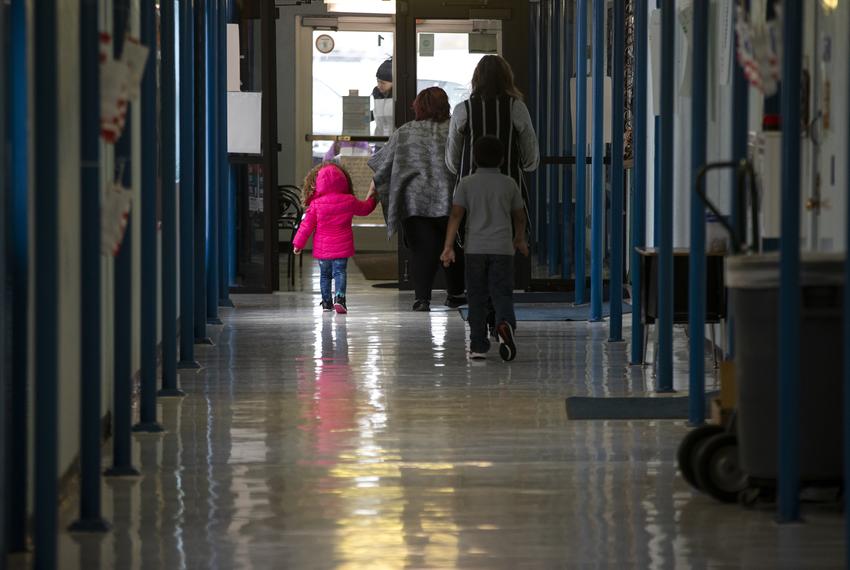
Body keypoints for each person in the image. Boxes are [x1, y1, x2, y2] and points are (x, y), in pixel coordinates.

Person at [445, 54, 539, 333]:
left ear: (476, 79)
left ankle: (483, 313)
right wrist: (517, 164)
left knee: (475, 254)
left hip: (470, 195)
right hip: (508, 190)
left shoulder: (463, 110)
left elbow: (451, 158)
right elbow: (532, 157)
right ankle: (501, 314)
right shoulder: (517, 108)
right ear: (507, 78)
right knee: (502, 256)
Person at [368, 87, 464, 311]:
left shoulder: (405, 132)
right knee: (455, 247)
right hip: (452, 200)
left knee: (422, 251)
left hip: (414, 203)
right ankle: (456, 294)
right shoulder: (455, 129)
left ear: (418, 107)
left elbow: (383, 165)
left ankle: (422, 299)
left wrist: (374, 187)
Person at [440, 136, 529, 361]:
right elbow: (519, 216)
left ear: (475, 159)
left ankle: (478, 345)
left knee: (477, 297)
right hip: (502, 249)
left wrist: (449, 246)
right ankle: (504, 323)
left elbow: (456, 215)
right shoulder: (509, 183)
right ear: (501, 159)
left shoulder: (467, 183)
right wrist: (519, 238)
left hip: (475, 250)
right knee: (502, 294)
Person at [292, 162, 378, 314]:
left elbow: (306, 226)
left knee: (325, 275)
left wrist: (298, 244)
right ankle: (340, 299)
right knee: (340, 272)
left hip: (322, 248)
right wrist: (373, 199)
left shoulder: (316, 204)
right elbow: (365, 209)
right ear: (343, 181)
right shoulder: (349, 200)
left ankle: (326, 302)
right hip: (342, 247)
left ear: (319, 183)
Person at [372, 58, 394, 136]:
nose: (379, 85)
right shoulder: (377, 93)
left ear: (393, 83)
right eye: (378, 81)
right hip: (379, 140)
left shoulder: (398, 97)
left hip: (394, 139)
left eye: (383, 83)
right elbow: (378, 113)